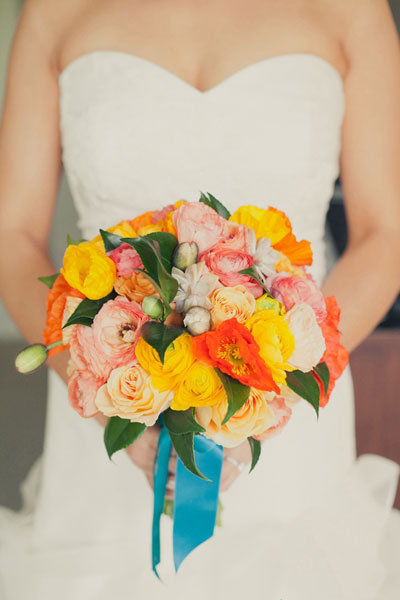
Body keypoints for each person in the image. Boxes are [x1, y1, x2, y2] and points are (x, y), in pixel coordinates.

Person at [0, 0, 400, 598]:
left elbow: (386, 235)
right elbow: (12, 235)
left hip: (288, 419)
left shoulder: (353, 11)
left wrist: (262, 399)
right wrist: (105, 394)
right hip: (101, 419)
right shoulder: (54, 11)